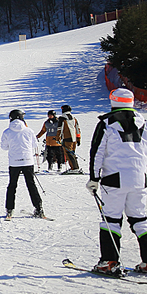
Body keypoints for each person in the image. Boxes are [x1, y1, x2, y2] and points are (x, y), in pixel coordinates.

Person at [87, 88, 147, 275]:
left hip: (114, 179)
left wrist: (94, 178)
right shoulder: (143, 122)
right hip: (139, 178)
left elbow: (97, 152)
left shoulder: (106, 123)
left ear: (113, 101)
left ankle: (109, 261)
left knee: (110, 219)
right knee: (141, 220)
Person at [0, 109, 45, 219]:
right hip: (27, 161)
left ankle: (9, 209)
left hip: (14, 162)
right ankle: (39, 208)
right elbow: (34, 145)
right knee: (31, 185)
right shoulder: (29, 131)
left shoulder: (7, 132)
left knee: (12, 186)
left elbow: (4, 147)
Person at [60, 104, 82, 173]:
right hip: (74, 138)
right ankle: (75, 167)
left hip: (67, 138)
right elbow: (77, 129)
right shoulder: (74, 118)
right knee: (72, 153)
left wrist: (57, 138)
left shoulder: (62, 118)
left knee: (68, 153)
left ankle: (74, 168)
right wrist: (78, 139)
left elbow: (59, 129)